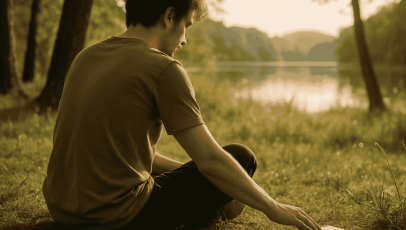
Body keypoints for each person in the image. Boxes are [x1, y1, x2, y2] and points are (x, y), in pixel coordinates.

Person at [42, 0, 322, 229]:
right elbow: (210, 160)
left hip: (62, 209)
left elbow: (110, 149)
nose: (185, 40)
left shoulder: (85, 56)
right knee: (240, 157)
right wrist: (273, 208)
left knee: (223, 178)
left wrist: (195, 173)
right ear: (169, 16)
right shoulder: (162, 67)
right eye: (186, 26)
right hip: (115, 216)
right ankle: (211, 208)